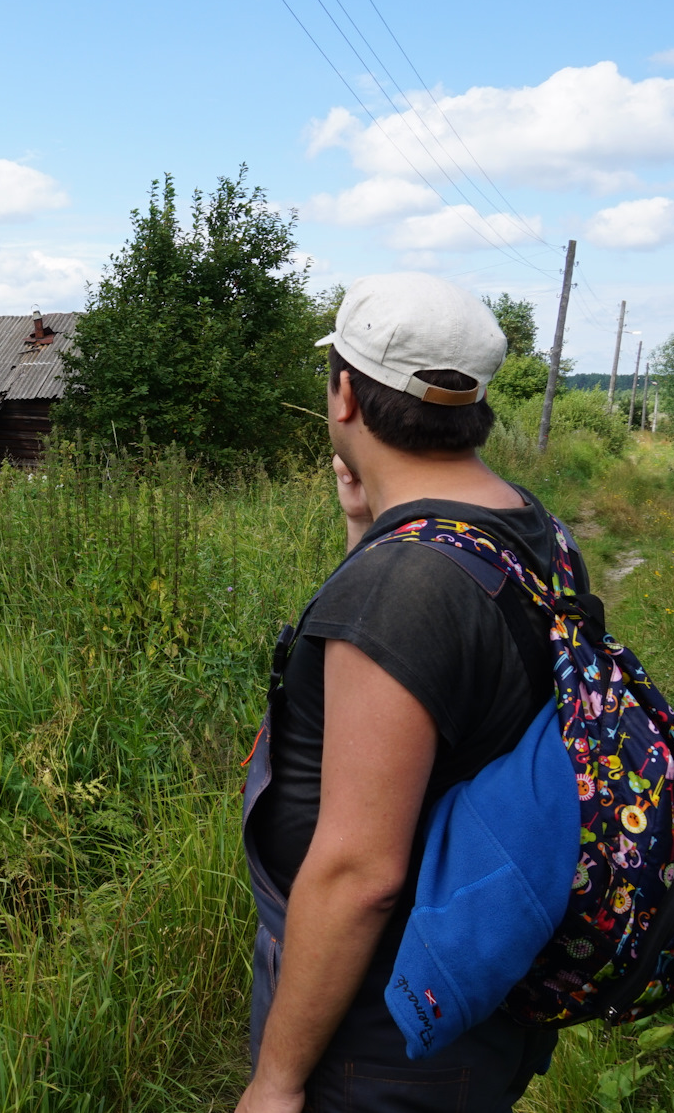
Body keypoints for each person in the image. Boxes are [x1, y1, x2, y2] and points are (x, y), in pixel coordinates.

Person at [235, 273, 576, 1113]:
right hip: (473, 984)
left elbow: (361, 874)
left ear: (344, 393)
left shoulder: (401, 588)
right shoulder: (527, 526)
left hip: (382, 1034)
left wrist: (276, 1084)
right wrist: (363, 532)